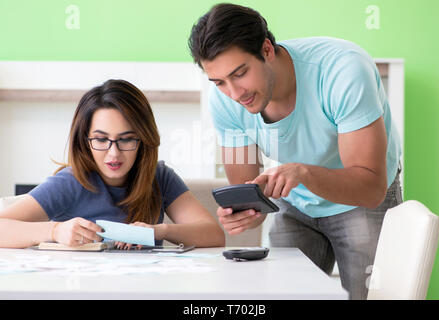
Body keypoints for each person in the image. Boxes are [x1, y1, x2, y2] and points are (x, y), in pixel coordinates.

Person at [188, 3, 402, 299]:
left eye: (240, 74)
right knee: (281, 295)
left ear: (266, 50)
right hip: (298, 203)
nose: (235, 94)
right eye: (219, 82)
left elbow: (370, 187)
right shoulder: (225, 102)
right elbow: (247, 188)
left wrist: (302, 172)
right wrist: (247, 211)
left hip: (361, 201)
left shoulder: (343, 70)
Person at [0, 79, 225, 249]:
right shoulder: (71, 182)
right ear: (85, 141)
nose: (113, 153)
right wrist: (56, 230)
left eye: (126, 139)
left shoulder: (159, 177)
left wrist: (158, 231)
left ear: (143, 139)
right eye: (100, 139)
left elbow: (214, 235)